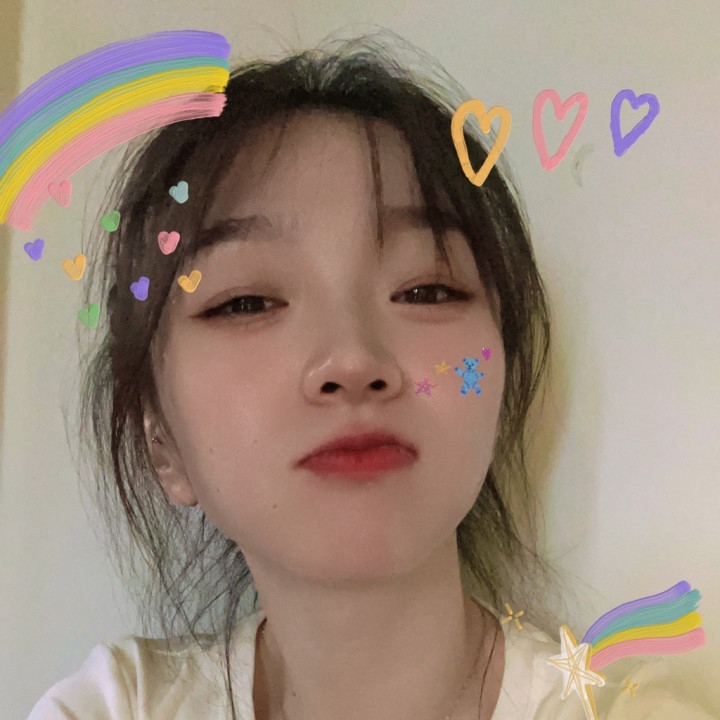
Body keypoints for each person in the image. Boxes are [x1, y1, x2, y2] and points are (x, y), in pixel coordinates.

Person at [26, 31, 715, 720]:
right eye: (247, 302)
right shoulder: (113, 706)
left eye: (425, 290)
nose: (352, 360)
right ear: (162, 447)